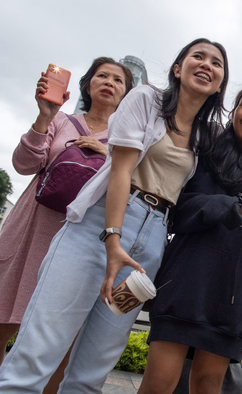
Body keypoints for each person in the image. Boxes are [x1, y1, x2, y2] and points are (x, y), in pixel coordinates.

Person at [0, 39, 242, 393]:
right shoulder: (146, 99)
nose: (207, 64)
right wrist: (113, 240)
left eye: (217, 62)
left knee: (93, 369)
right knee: (37, 355)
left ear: (221, 83)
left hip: (148, 249)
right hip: (99, 228)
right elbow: (120, 170)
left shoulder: (207, 135)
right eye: (198, 56)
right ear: (178, 68)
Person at [136, 81, 242, 394]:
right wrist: (224, 205)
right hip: (186, 283)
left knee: (209, 385)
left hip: (234, 296)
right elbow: (177, 212)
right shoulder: (206, 151)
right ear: (234, 111)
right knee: (158, 383)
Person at [0, 57, 133, 390]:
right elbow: (24, 164)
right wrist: (44, 116)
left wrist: (105, 158)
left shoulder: (126, 140)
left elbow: (128, 188)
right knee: (3, 319)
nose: (109, 82)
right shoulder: (62, 120)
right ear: (87, 84)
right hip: (32, 228)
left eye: (118, 80)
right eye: (102, 75)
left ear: (127, 95)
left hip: (77, 236)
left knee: (62, 336)